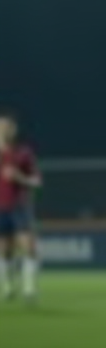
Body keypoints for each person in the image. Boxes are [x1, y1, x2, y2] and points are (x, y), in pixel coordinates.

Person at [0, 112, 43, 303]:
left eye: (9, 126)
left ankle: (29, 290)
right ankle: (8, 286)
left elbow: (37, 181)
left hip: (19, 207)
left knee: (29, 247)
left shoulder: (23, 153)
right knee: (5, 250)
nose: (5, 129)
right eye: (2, 126)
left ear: (14, 130)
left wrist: (20, 178)